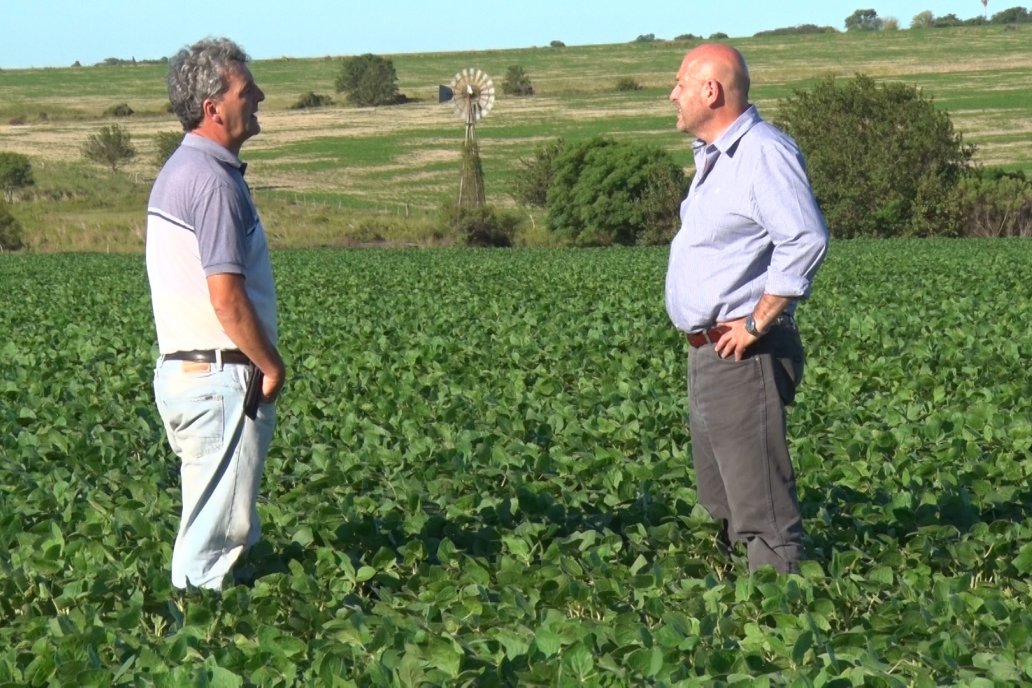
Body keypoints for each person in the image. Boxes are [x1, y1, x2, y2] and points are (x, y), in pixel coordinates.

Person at [664, 43, 829, 573]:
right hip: (710, 353)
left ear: (711, 91)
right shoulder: (714, 159)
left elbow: (805, 238)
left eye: (681, 84)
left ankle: (781, 614)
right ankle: (738, 611)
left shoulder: (762, 152)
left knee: (763, 512)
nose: (673, 94)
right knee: (721, 504)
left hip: (744, 354)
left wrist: (758, 321)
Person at [146, 37, 285, 590]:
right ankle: (194, 635)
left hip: (193, 374)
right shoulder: (211, 181)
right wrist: (270, 366)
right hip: (220, 378)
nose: (260, 97)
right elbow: (225, 297)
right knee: (211, 549)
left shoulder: (184, 169)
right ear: (214, 108)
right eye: (246, 90)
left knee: (226, 532)